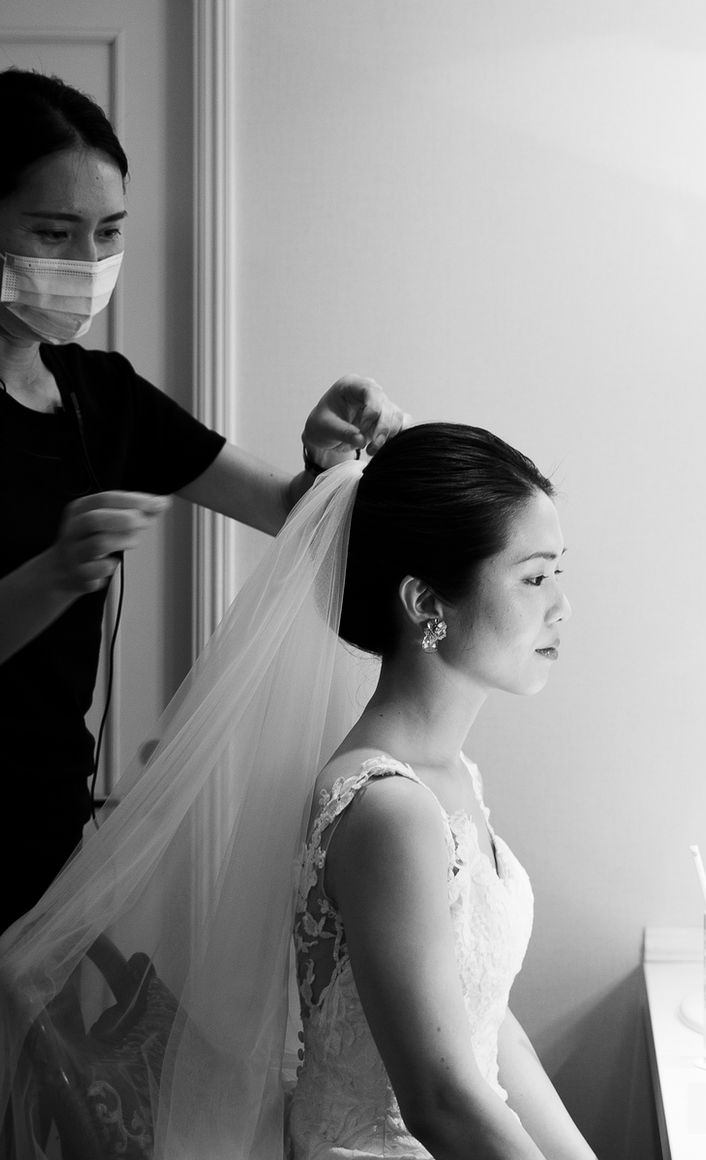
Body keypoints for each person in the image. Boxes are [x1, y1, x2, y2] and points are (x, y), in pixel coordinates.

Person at [0, 423, 595, 1160]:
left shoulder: (452, 777)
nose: (562, 606)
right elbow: (441, 1103)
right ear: (424, 602)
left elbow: (487, 1022)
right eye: (535, 578)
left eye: (559, 572)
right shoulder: (390, 809)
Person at [0, 66, 405, 931]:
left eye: (109, 232)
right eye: (54, 232)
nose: (88, 264)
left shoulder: (101, 397)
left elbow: (287, 512)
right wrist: (56, 573)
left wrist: (324, 457)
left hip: (47, 840)